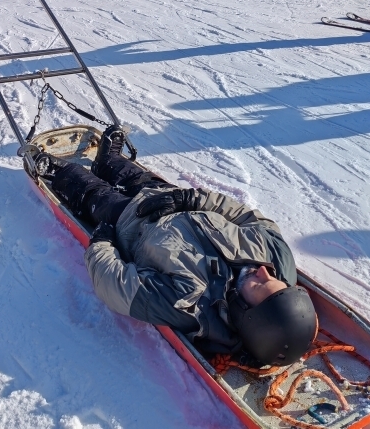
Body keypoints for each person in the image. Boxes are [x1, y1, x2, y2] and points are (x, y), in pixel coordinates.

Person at [34, 126, 318, 366]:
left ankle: (58, 171)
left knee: (95, 195)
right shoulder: (276, 261)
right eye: (277, 281)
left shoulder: (188, 302)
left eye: (258, 284)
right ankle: (108, 160)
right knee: (137, 178)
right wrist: (190, 200)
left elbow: (114, 284)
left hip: (133, 222)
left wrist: (103, 242)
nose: (262, 272)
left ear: (245, 313)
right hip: (172, 199)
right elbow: (245, 216)